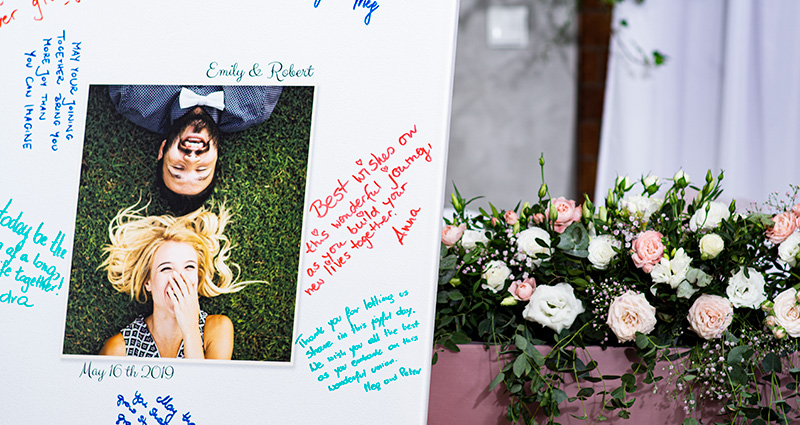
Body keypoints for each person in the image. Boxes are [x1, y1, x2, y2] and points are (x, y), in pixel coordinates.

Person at [98, 203, 252, 359]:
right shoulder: (118, 351)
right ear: (148, 282)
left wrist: (191, 330)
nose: (179, 278)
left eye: (189, 267)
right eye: (166, 269)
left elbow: (205, 384)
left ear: (197, 278)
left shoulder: (217, 329)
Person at [109, 85, 283, 214]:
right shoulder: (257, 105)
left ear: (162, 150)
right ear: (216, 157)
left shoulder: (131, 97)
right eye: (202, 169)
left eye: (177, 168)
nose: (191, 159)